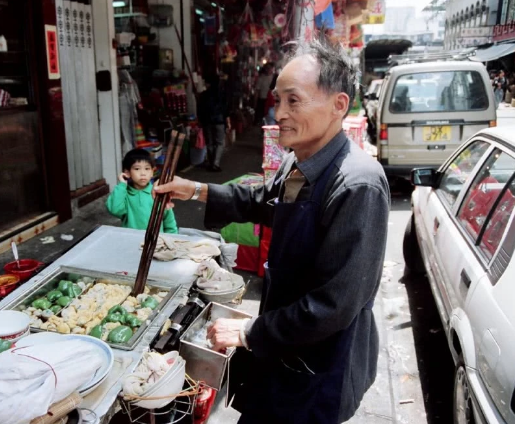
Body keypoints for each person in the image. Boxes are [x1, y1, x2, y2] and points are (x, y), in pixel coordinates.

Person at [155, 38, 390, 423]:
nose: (279, 112)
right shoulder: (298, 161)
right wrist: (195, 189)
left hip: (319, 365)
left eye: (293, 101)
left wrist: (250, 330)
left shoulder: (356, 185)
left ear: (339, 105)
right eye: (277, 100)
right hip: (282, 347)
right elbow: (264, 202)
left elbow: (334, 306)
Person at [106, 148, 178, 234]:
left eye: (147, 169)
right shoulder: (124, 195)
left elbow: (169, 221)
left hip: (157, 242)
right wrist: (122, 185)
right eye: (137, 169)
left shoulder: (158, 193)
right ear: (127, 172)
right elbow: (115, 209)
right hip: (131, 241)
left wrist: (172, 239)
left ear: (152, 172)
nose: (143, 173)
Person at [198, 74, 231, 172]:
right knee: (220, 143)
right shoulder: (222, 94)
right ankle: (215, 164)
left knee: (210, 143)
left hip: (207, 122)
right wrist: (228, 122)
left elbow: (200, 110)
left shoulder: (204, 95)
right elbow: (225, 110)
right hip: (220, 122)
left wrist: (200, 121)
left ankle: (211, 162)